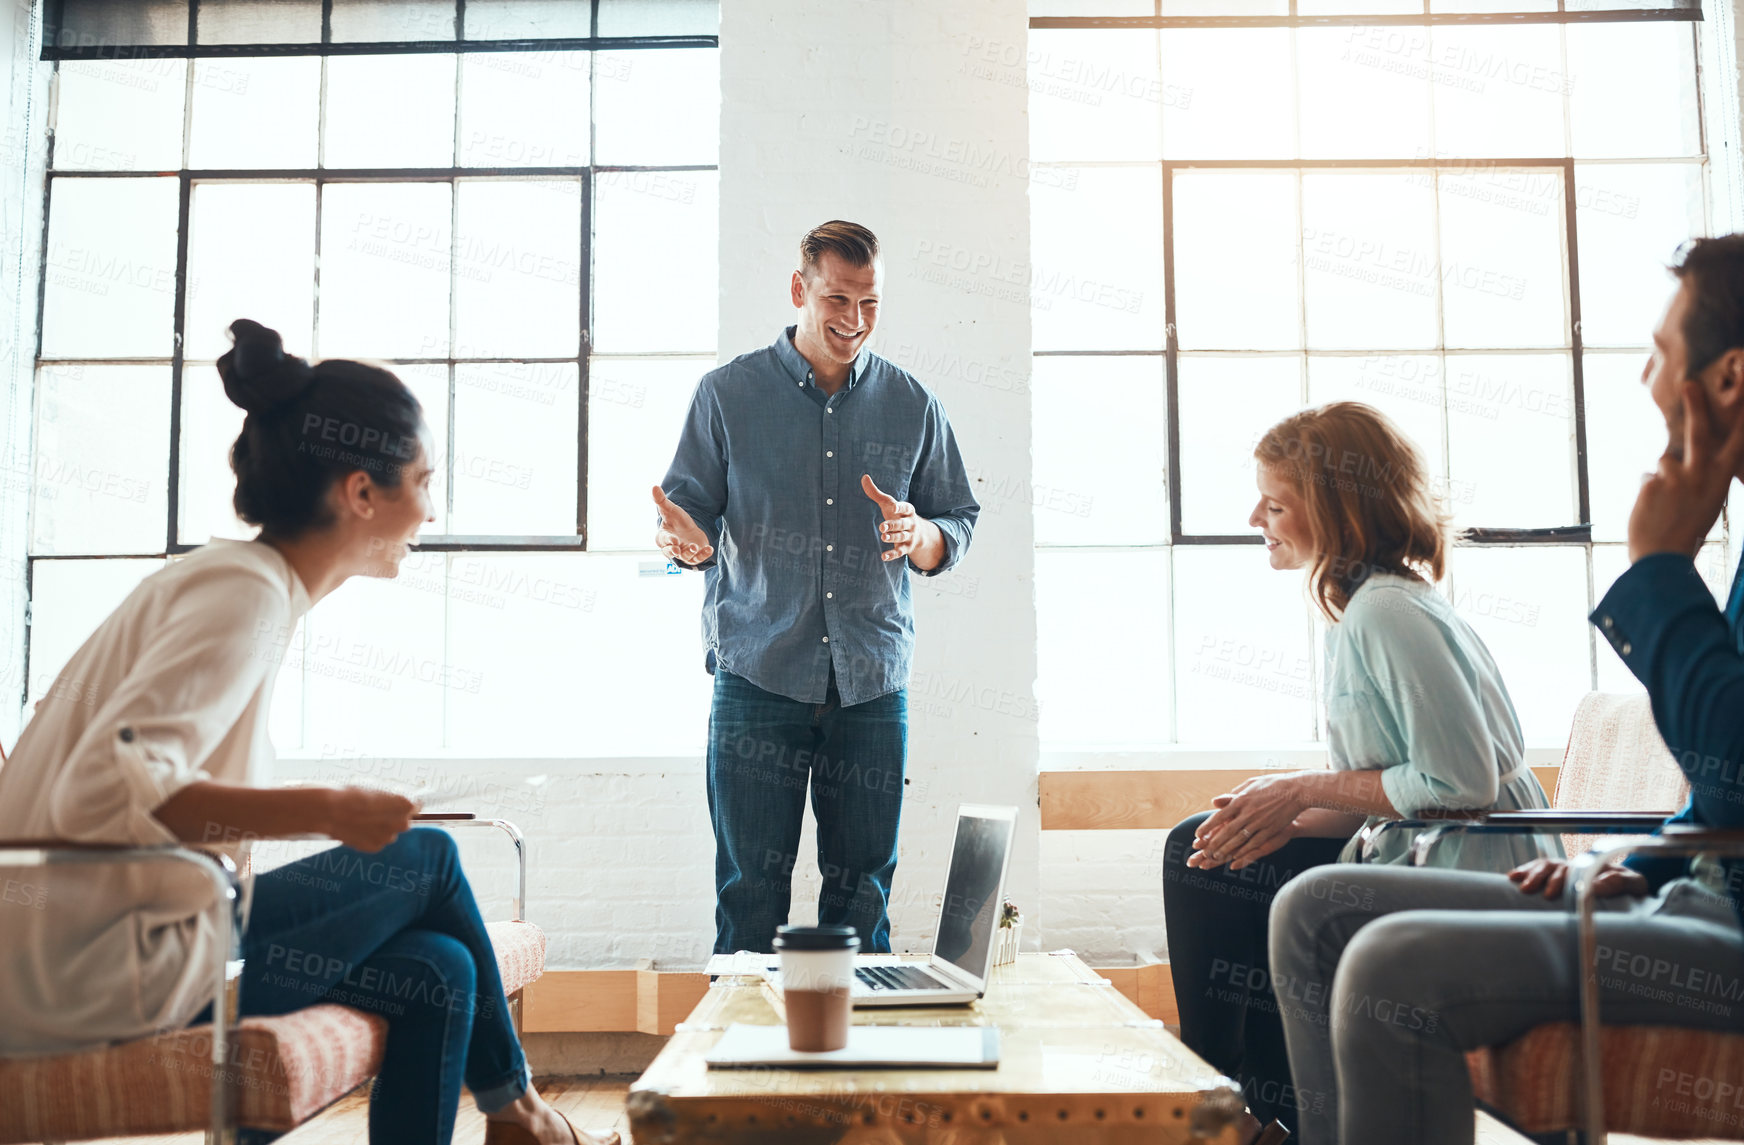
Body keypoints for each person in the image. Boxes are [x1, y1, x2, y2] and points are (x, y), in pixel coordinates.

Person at [0, 321, 613, 1145]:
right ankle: (523, 1113)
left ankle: (517, 1114)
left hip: (116, 943)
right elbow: (108, 791)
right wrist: (327, 808)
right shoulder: (244, 595)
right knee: (427, 857)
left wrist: (313, 810)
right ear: (361, 492)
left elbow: (139, 779)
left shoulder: (238, 584)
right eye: (424, 482)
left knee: (440, 969)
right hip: (86, 970)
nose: (431, 508)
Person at [1268, 235, 1744, 1145]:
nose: (1644, 378)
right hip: (1693, 893)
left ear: (1724, 379)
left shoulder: (1388, 609)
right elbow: (1722, 790)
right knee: (1312, 910)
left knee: (1389, 965)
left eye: (1658, 352)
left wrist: (1660, 569)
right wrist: (1627, 865)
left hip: (1728, 927)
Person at [1160, 402, 1560, 1143]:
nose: (1256, 516)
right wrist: (1275, 808)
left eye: (1275, 503)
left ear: (1337, 514)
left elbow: (1458, 784)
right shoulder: (1370, 609)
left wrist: (1304, 788)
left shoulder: (1387, 614)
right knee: (1204, 847)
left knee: (1255, 879)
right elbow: (1393, 785)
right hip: (1425, 845)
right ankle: (1243, 1106)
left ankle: (1224, 1111)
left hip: (1482, 867)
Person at [654, 220, 980, 955]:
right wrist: (684, 543)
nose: (854, 321)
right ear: (800, 289)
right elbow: (687, 522)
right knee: (749, 894)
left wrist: (917, 535)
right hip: (756, 678)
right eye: (838, 298)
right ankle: (741, 1068)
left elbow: (955, 519)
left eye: (870, 304)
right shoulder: (727, 395)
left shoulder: (911, 402)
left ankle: (860, 1065)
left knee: (862, 893)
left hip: (870, 684)